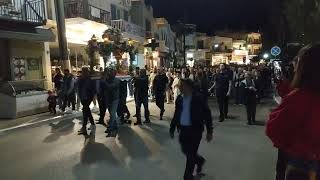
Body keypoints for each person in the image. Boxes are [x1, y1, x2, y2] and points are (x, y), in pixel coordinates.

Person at [266, 43, 320, 180]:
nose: (294, 65)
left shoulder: (301, 97)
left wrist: (294, 145)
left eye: (297, 61)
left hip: (303, 165)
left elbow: (274, 129)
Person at [170, 79, 213, 180]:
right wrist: (172, 127)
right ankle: (199, 160)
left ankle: (188, 176)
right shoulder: (179, 99)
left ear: (189, 87)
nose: (179, 87)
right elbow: (176, 114)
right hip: (183, 130)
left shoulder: (198, 98)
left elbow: (207, 114)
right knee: (185, 150)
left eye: (181, 85)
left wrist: (209, 131)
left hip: (195, 130)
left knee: (190, 155)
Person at [77, 67, 95, 135]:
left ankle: (84, 127)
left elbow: (91, 89)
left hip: (87, 97)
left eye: (84, 71)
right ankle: (92, 123)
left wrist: (92, 96)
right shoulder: (81, 79)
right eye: (83, 71)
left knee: (85, 111)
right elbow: (79, 87)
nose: (84, 72)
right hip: (83, 97)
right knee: (86, 110)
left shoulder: (89, 79)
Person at [102, 69, 120, 137]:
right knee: (112, 113)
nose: (110, 74)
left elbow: (110, 87)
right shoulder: (107, 79)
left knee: (112, 114)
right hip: (109, 99)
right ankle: (115, 126)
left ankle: (110, 128)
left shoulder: (117, 80)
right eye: (109, 73)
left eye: (111, 73)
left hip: (114, 99)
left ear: (114, 74)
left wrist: (104, 81)